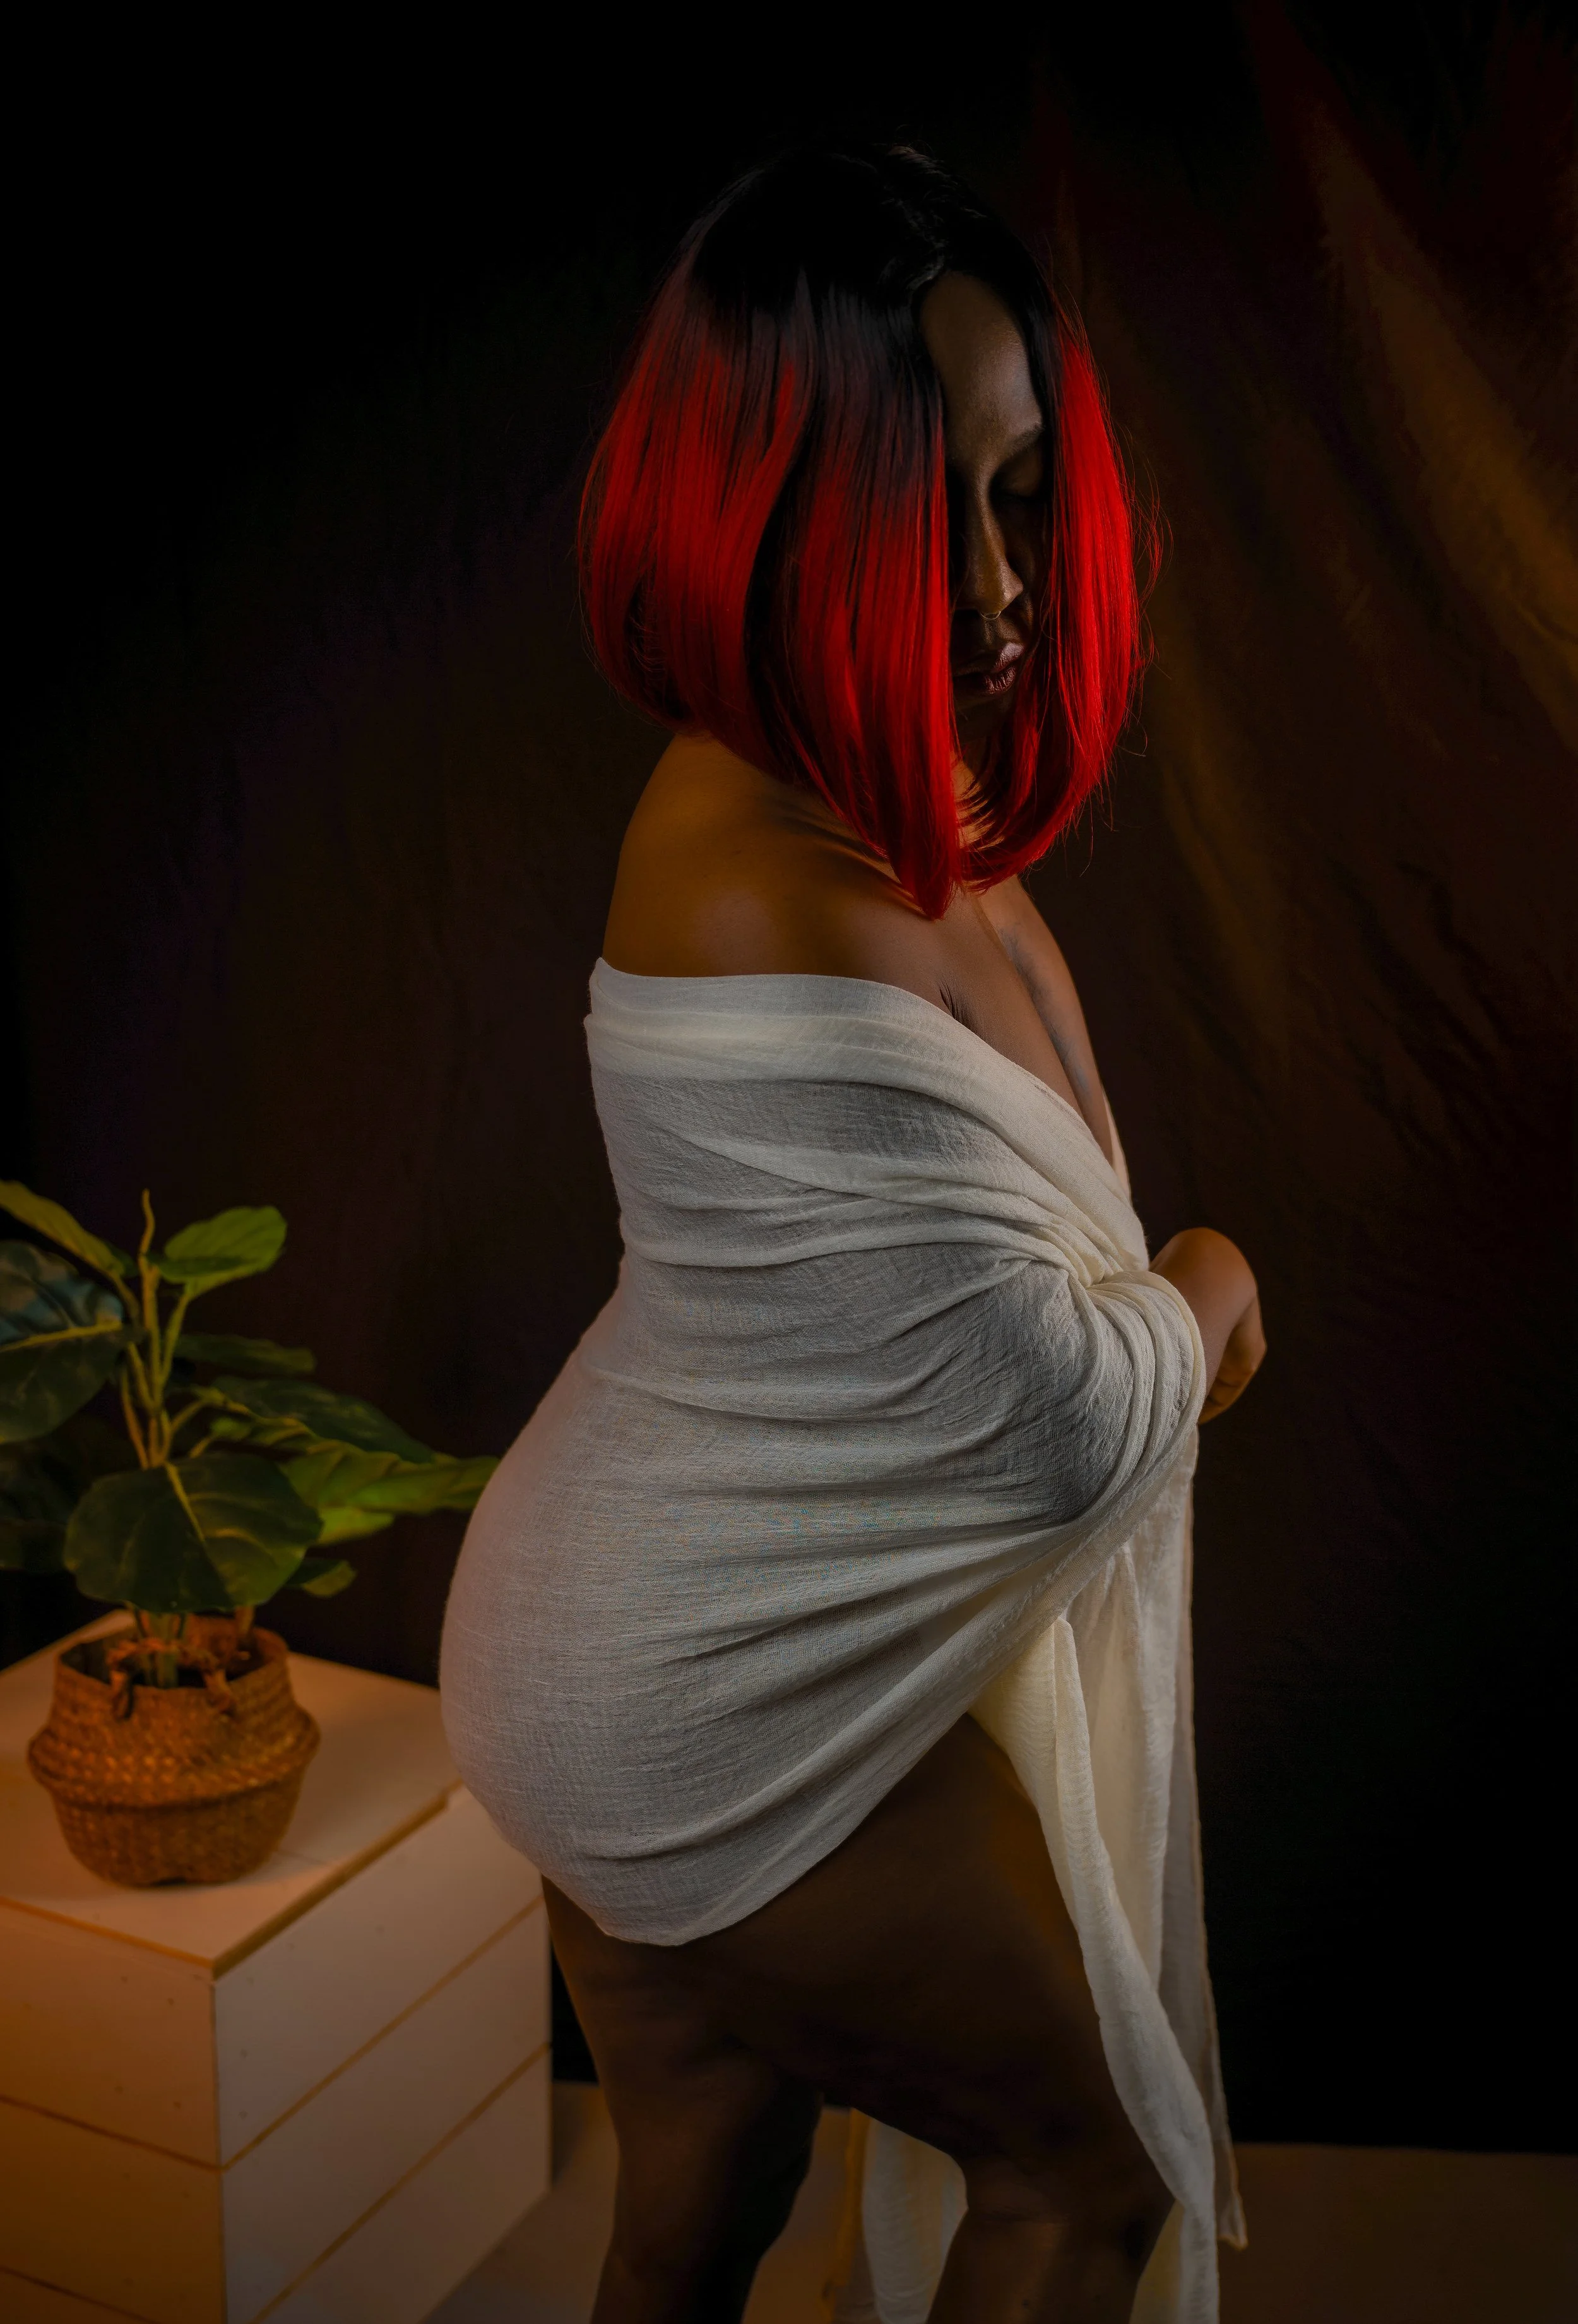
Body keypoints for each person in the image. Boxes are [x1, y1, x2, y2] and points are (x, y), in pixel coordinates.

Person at [439, 143, 1264, 2324]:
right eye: (940, 519)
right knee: (1095, 2167)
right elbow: (1067, 1432)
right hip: (687, 1692)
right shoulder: (767, 892)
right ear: (772, 514)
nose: (1001, 594)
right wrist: (1220, 1283)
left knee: (699, 2183)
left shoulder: (857, 781)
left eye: (1017, 496)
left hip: (648, 1619)